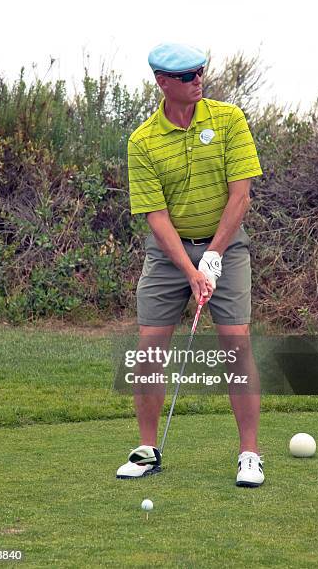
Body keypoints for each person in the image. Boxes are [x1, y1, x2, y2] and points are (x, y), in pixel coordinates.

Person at [116, 43, 264, 487]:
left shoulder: (228, 120)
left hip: (226, 244)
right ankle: (146, 451)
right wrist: (191, 271)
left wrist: (215, 255)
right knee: (149, 350)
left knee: (236, 345)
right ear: (162, 82)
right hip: (169, 255)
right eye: (186, 76)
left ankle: (250, 455)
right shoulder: (142, 141)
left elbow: (241, 196)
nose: (197, 79)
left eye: (200, 71)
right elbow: (156, 219)